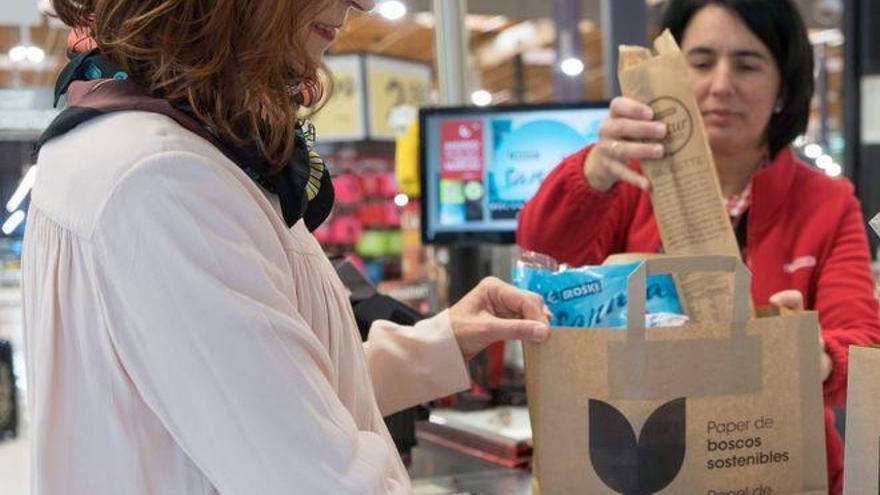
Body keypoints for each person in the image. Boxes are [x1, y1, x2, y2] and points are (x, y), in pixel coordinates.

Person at [22, 1, 551, 494]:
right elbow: (316, 479)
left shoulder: (151, 148)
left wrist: (443, 342)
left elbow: (268, 394)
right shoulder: (163, 179)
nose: (362, 3)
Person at [517, 0, 880, 493]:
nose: (721, 85)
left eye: (748, 64)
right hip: (639, 464)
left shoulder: (827, 202)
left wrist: (813, 356)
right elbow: (542, 252)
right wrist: (594, 171)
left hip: (776, 462)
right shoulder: (627, 181)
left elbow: (863, 346)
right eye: (701, 62)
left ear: (783, 88)